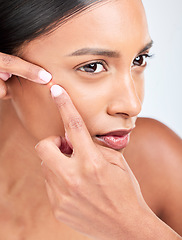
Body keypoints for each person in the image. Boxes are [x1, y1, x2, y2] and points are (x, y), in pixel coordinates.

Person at [0, 0, 181, 239]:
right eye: (93, 66)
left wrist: (133, 226)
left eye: (139, 60)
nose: (132, 105)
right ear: (6, 71)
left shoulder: (155, 160)